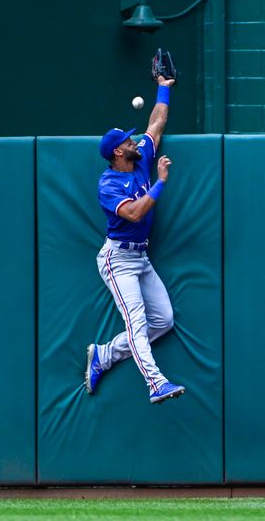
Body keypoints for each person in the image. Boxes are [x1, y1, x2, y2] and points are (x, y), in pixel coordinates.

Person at [85, 76, 185, 404]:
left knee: (164, 320)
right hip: (118, 261)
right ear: (118, 152)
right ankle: (156, 383)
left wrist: (164, 85)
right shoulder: (108, 183)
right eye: (128, 141)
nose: (135, 141)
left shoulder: (140, 159)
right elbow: (134, 214)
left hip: (140, 258)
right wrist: (161, 183)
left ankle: (105, 355)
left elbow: (156, 122)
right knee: (138, 323)